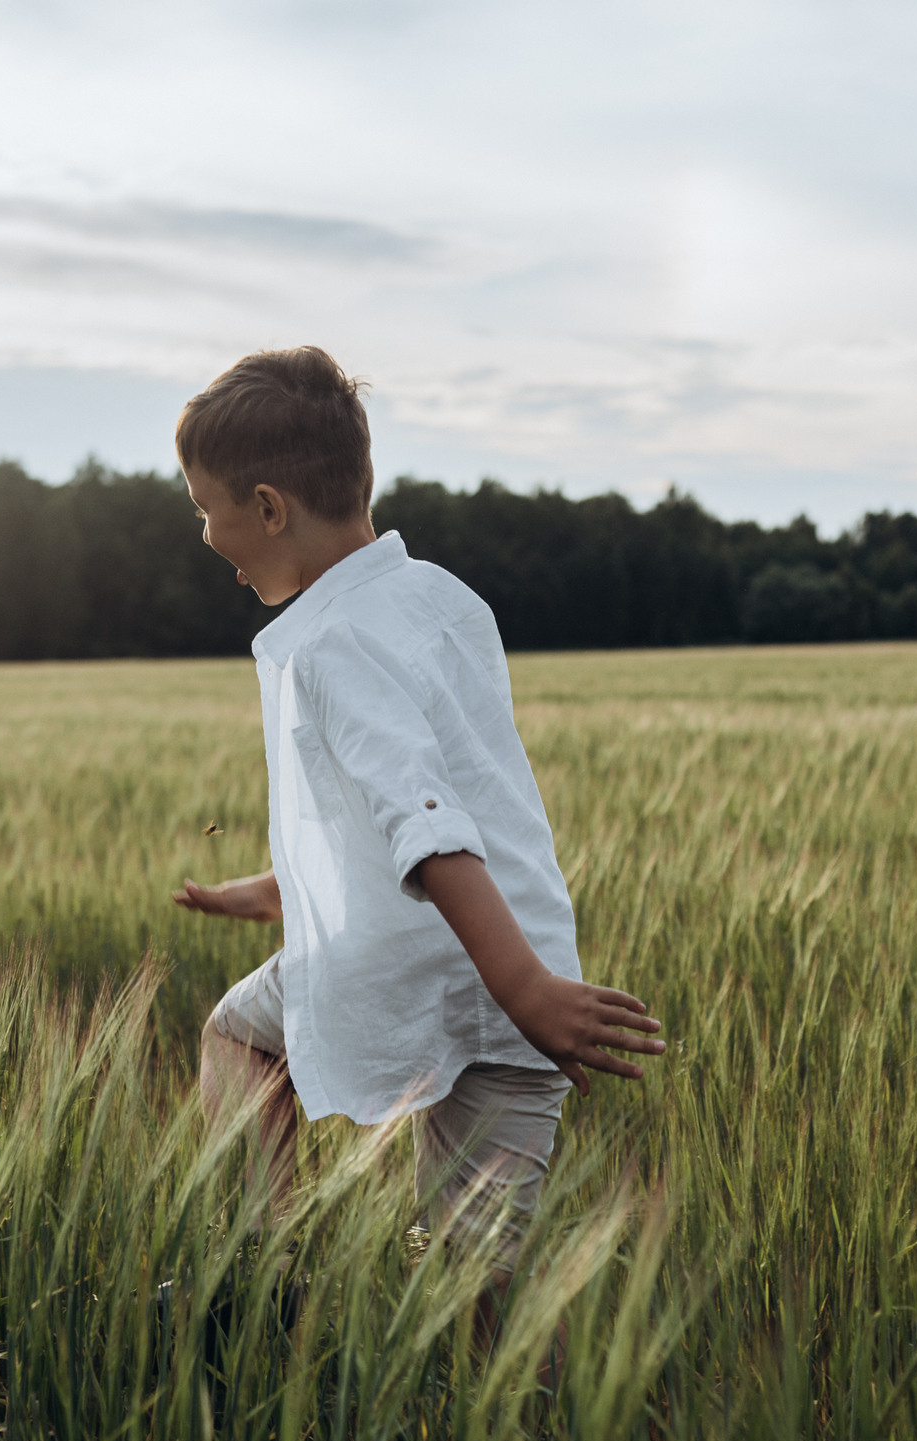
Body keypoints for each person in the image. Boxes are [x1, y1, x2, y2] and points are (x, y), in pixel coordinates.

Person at [169, 346, 663, 1347]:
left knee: (235, 1038)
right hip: (507, 958)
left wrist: (524, 995)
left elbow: (428, 826)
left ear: (269, 509)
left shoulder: (329, 645)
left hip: (462, 976)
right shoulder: (444, 598)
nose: (203, 532)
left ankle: (270, 1268)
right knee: (481, 1296)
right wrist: (275, 890)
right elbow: (429, 802)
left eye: (205, 507)